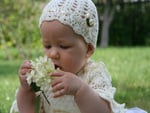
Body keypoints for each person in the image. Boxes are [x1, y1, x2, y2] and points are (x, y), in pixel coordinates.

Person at [10, 0, 147, 113]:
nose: (52, 54)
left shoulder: (93, 74)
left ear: (88, 49)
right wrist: (26, 89)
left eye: (63, 46)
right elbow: (27, 110)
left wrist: (80, 89)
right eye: (47, 46)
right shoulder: (44, 79)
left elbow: (103, 111)